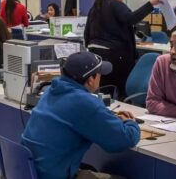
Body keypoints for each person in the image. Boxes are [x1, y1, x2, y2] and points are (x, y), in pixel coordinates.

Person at [22, 51, 140, 179]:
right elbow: (123, 139)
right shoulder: (84, 103)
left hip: (31, 171)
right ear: (90, 80)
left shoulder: (51, 91)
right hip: (53, 175)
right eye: (99, 73)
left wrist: (106, 117)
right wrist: (131, 123)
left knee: (89, 170)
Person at [84, 0, 161, 98]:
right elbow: (131, 18)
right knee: (120, 90)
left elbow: (87, 33)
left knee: (103, 90)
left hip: (95, 55)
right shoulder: (115, 4)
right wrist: (151, 4)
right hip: (115, 56)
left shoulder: (95, 7)